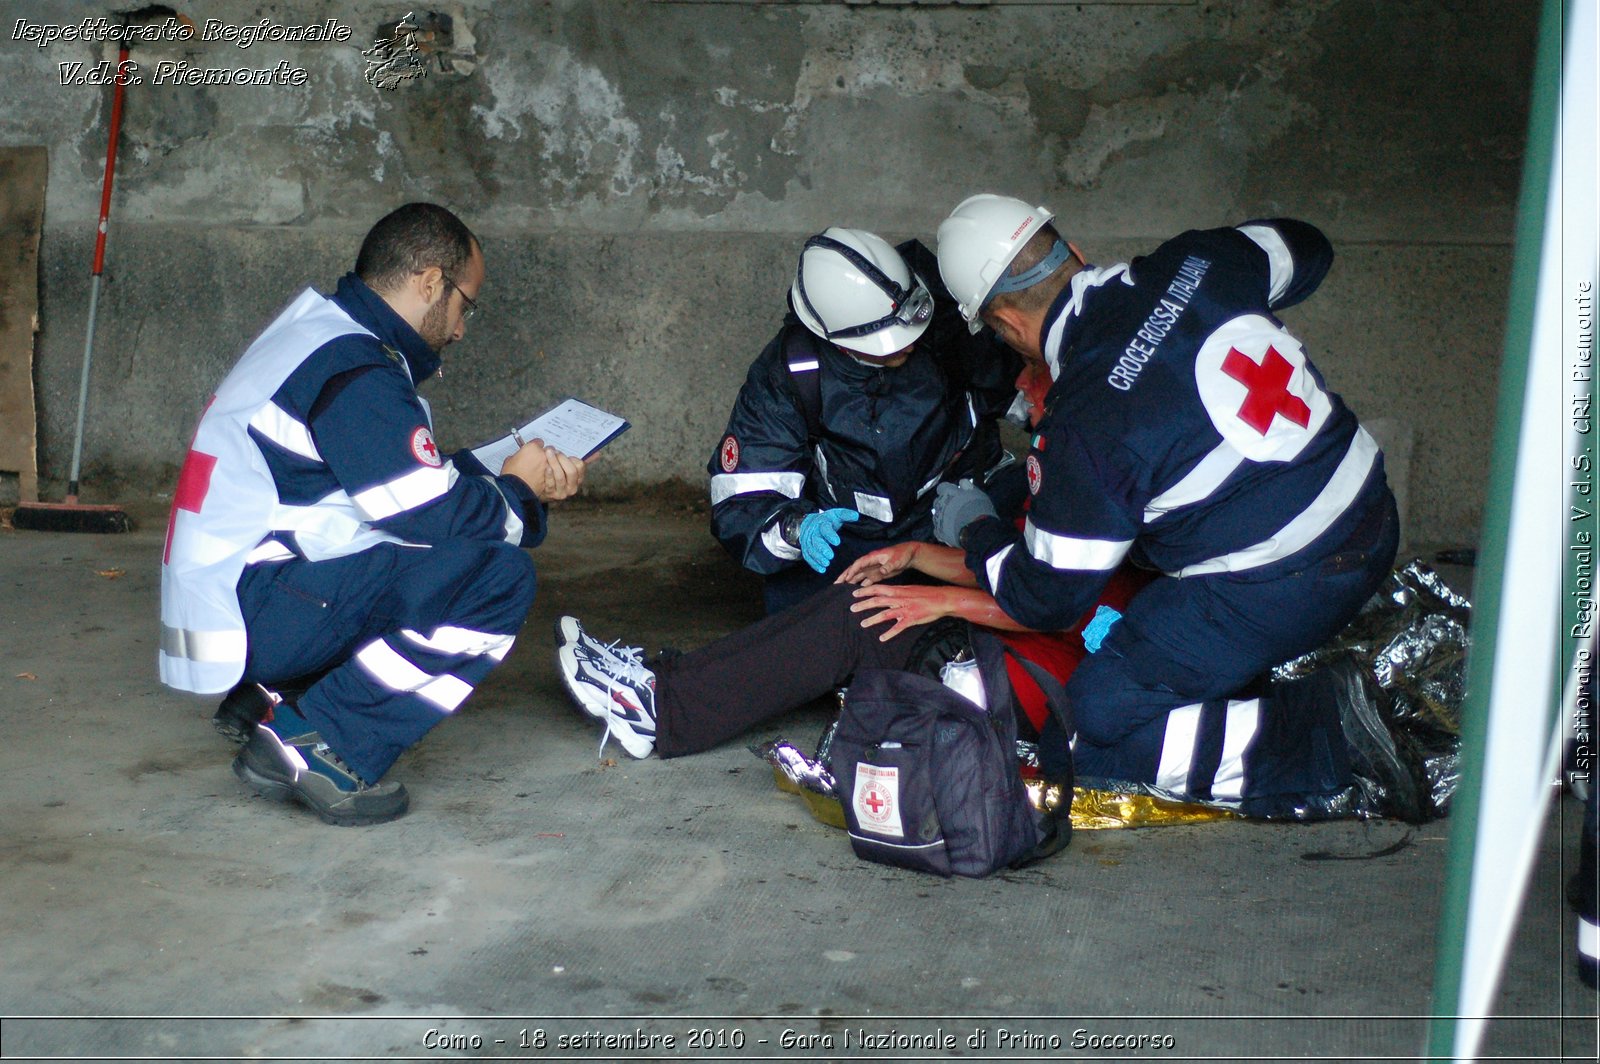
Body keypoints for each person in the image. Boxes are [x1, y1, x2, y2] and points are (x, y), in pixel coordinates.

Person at [924, 194, 1399, 807]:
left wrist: (975, 527)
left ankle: (1325, 737)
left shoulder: (1086, 422)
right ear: (1073, 252)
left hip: (1285, 584)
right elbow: (1309, 246)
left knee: (1093, 727)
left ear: (1007, 325)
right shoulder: (1200, 259)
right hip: (1373, 516)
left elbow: (1047, 597)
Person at [159, 202, 586, 826]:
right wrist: (521, 493)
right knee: (494, 576)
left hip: (235, 593)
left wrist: (501, 479)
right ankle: (324, 745)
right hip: (257, 606)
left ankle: (270, 696)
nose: (463, 328)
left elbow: (375, 489)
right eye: (467, 303)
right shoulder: (357, 368)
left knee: (426, 549)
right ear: (431, 282)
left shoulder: (319, 334)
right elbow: (430, 518)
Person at [709, 227, 1020, 614]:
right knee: (811, 643)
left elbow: (1036, 395)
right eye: (886, 343)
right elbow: (744, 496)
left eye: (909, 331)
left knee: (1021, 605)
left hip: (967, 508)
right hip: (850, 535)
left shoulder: (946, 317)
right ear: (834, 338)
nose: (906, 344)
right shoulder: (790, 373)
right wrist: (797, 529)